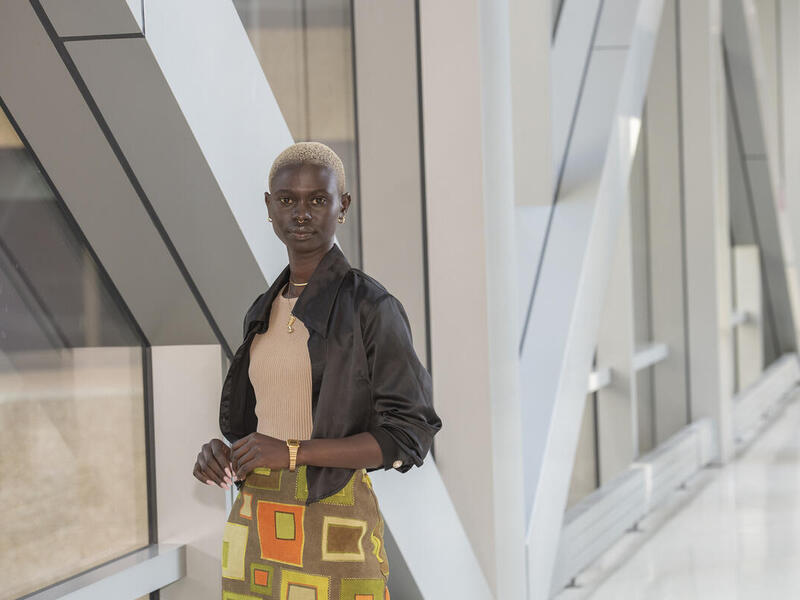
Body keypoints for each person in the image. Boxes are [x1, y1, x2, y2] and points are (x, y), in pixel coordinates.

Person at [192, 141, 442, 599]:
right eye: (287, 199)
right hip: (256, 518)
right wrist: (228, 453)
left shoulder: (372, 306)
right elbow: (267, 427)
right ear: (269, 207)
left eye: (318, 200)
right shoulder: (262, 310)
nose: (301, 213)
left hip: (333, 517)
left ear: (342, 206)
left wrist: (292, 453)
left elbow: (410, 434)